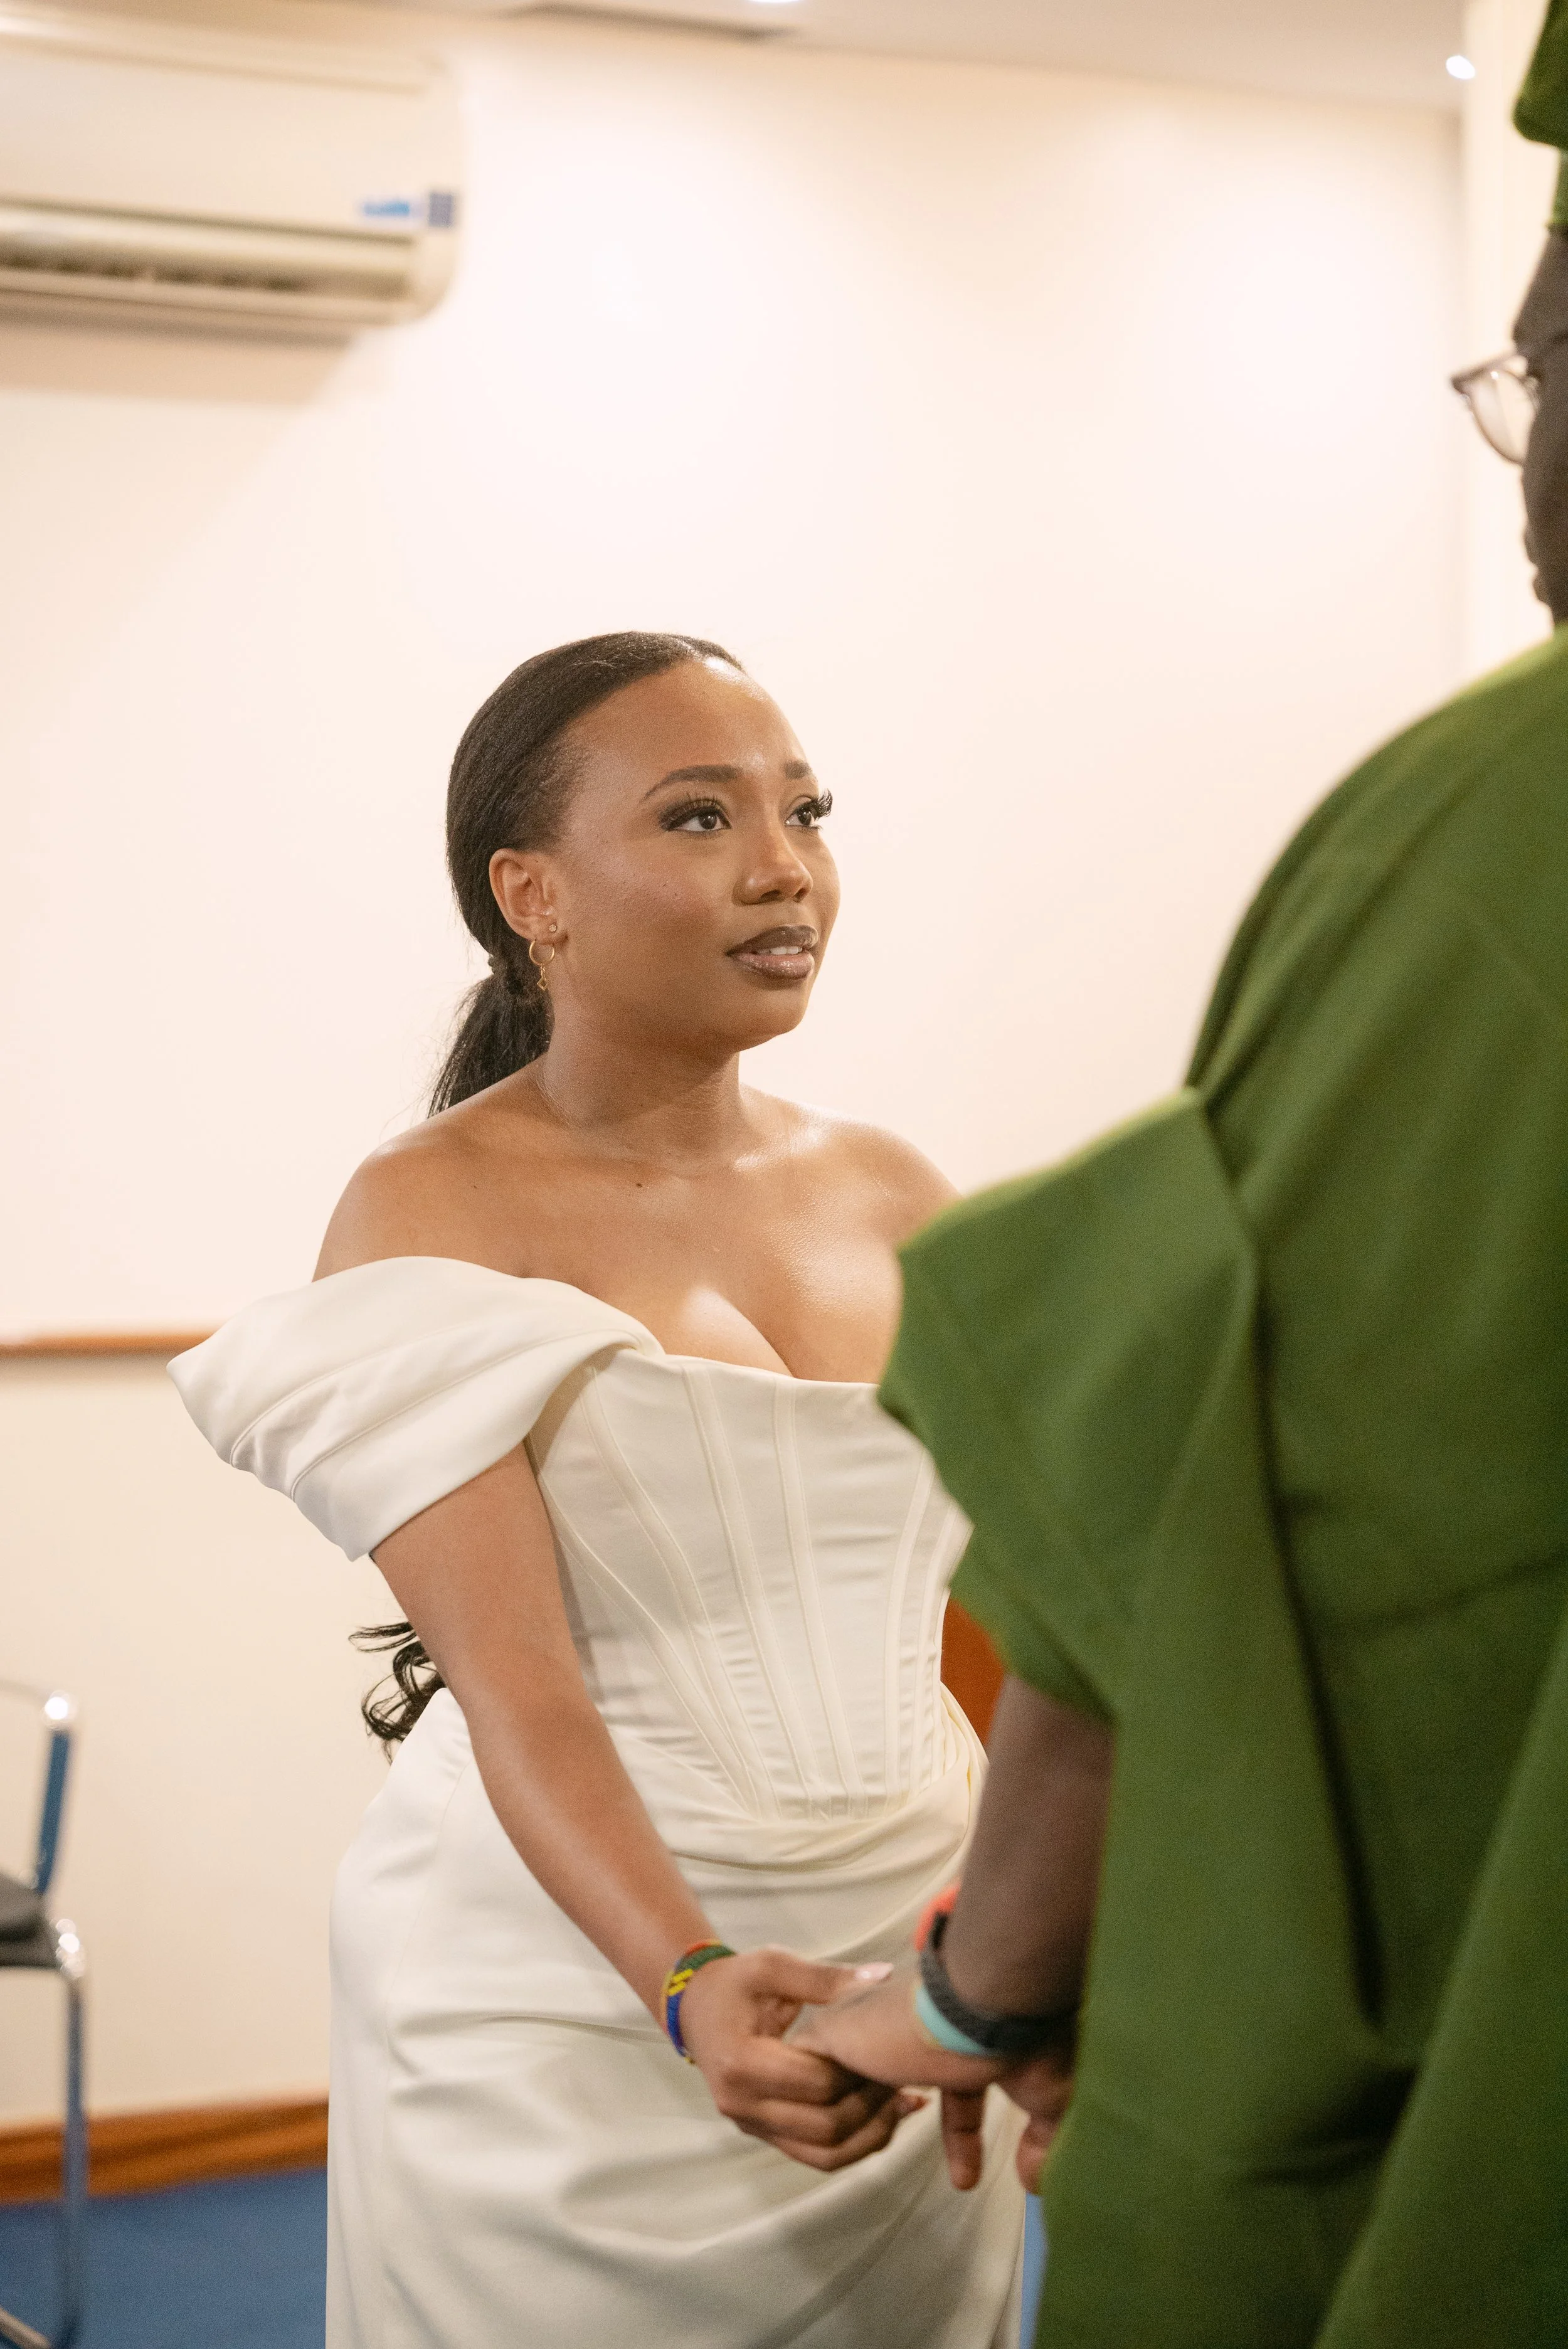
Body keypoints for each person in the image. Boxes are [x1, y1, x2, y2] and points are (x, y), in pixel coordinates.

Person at [800, 17, 1568, 2346]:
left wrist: (973, 1984)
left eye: (1527, 377)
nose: (1519, 467)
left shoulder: (1495, 854)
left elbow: (1241, 1540)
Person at [170, 632, 1024, 2348]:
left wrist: (1013, 1955)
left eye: (804, 810)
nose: (783, 867)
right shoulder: (429, 1208)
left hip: (897, 1956)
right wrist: (687, 1983)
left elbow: (1020, 1617)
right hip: (565, 1992)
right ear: (531, 895)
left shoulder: (893, 1192)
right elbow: (522, 1694)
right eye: (699, 818)